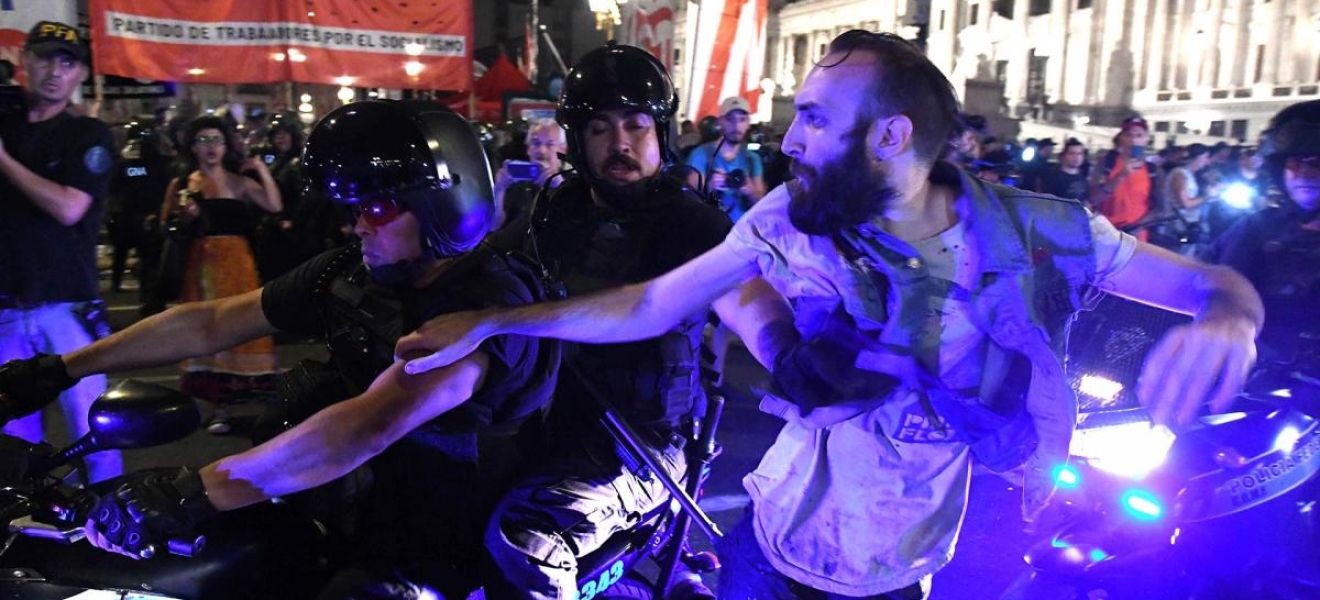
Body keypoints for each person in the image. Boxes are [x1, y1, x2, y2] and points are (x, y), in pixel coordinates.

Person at [396, 30, 1263, 599]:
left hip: (913, 567)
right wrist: (493, 323)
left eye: (812, 118)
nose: (790, 139)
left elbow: (1215, 288)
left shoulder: (1042, 232)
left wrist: (1228, 321)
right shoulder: (785, 219)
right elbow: (649, 304)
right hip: (765, 548)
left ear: (888, 137)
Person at [0, 100, 558, 599]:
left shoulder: (489, 305)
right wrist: (59, 369)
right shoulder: (356, 273)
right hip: (335, 509)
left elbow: (368, 424)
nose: (357, 225)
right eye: (354, 208)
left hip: (442, 541)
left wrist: (189, 493)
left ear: (442, 203)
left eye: (378, 209)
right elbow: (214, 320)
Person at [474, 43, 737, 600]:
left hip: (643, 444)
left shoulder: (695, 227)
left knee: (527, 540)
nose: (620, 143)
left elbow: (752, 299)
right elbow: (481, 269)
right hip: (547, 424)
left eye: (636, 126)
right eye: (599, 128)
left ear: (660, 133)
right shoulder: (553, 212)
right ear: (577, 138)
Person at [0, 21, 120, 483]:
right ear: (23, 62)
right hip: (8, 309)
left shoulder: (86, 134)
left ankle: (110, 536)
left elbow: (70, 207)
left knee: (93, 429)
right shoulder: (6, 125)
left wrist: (4, 161)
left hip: (67, 309)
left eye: (68, 63)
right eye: (45, 57)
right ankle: (27, 536)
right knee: (14, 441)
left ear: (80, 75)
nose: (55, 71)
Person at [165, 115, 283, 433]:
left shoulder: (239, 182)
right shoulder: (182, 183)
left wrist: (260, 169)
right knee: (208, 329)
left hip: (238, 263)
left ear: (226, 145)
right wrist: (184, 215)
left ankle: (253, 404)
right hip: (201, 264)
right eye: (203, 140)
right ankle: (216, 407)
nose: (211, 147)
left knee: (244, 325)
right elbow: (167, 225)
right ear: (192, 147)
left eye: (216, 140)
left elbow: (274, 205)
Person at [1207, 99, 1320, 369]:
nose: (1303, 173)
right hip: (1252, 374)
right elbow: (1217, 284)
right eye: (1294, 162)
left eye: (1317, 162)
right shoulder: (1255, 227)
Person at [107, 120, 172, 296]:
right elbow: (165, 185)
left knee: (123, 252)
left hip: (127, 213)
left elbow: (112, 187)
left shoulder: (124, 162)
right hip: (144, 214)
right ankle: (145, 288)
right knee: (146, 254)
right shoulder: (158, 161)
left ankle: (117, 284)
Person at [686, 96, 767, 221]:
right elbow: (688, 202)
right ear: (721, 122)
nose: (737, 125)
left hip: (740, 234)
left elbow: (762, 206)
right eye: (730, 119)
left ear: (748, 123)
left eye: (742, 119)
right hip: (710, 232)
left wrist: (749, 189)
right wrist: (710, 186)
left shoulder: (753, 159)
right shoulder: (701, 154)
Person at [253, 111, 307, 281]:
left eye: (285, 133)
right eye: (277, 133)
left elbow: (307, 197)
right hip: (275, 229)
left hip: (293, 233)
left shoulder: (301, 162)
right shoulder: (277, 161)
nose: (280, 138)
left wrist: (293, 222)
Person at [491, 118, 565, 230]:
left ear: (562, 150)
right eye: (536, 143)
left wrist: (561, 188)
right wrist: (499, 190)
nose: (541, 150)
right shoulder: (514, 181)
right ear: (528, 149)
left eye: (549, 145)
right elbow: (494, 226)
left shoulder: (574, 184)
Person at [1091, 116, 1156, 240]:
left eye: (1139, 136)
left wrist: (1137, 226)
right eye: (1128, 135)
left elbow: (1160, 208)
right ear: (1121, 138)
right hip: (1107, 234)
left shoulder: (1153, 171)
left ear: (1147, 139)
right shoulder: (1106, 165)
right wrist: (1120, 176)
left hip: (1138, 240)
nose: (1133, 140)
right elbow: (1094, 199)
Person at [1039, 137, 1089, 203]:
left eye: (1079, 153)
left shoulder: (1083, 176)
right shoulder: (1053, 176)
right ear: (1064, 155)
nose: (1076, 157)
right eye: (1072, 153)